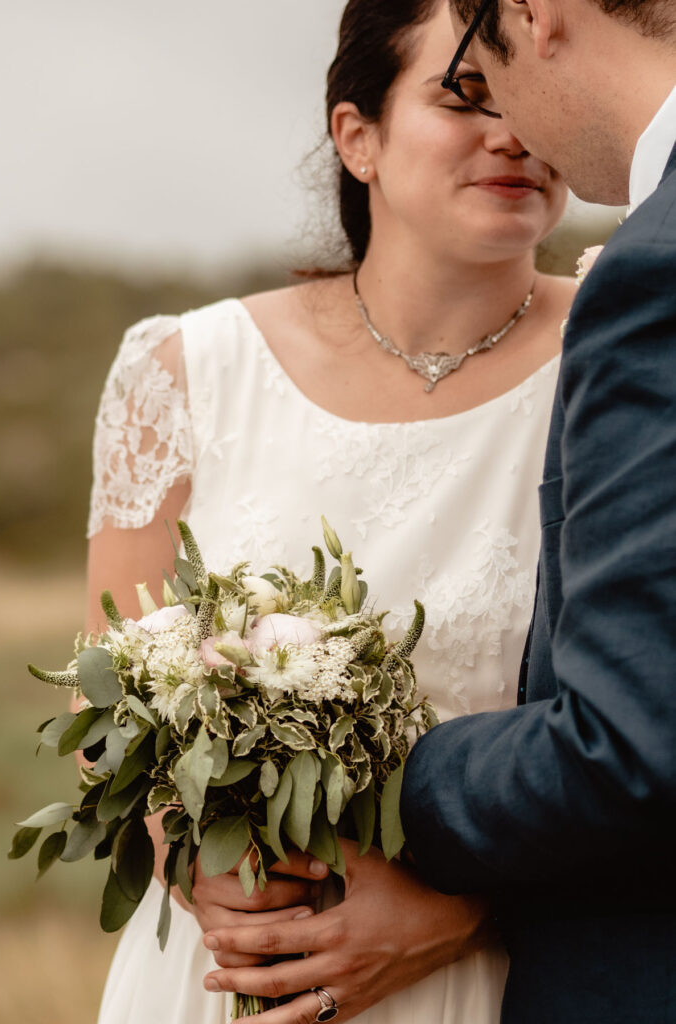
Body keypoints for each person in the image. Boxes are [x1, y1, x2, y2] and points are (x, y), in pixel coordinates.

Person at [89, 2, 575, 1022]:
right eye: (462, 96)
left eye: (529, 93)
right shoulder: (186, 371)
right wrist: (196, 860)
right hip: (221, 973)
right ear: (356, 136)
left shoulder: (618, 362)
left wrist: (460, 913)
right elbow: (108, 710)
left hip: (496, 977)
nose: (513, 134)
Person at [397, 2, 676, 1023]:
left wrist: (407, 781)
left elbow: (630, 741)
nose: (504, 123)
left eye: (478, 71)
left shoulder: (651, 269)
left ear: (532, 13)